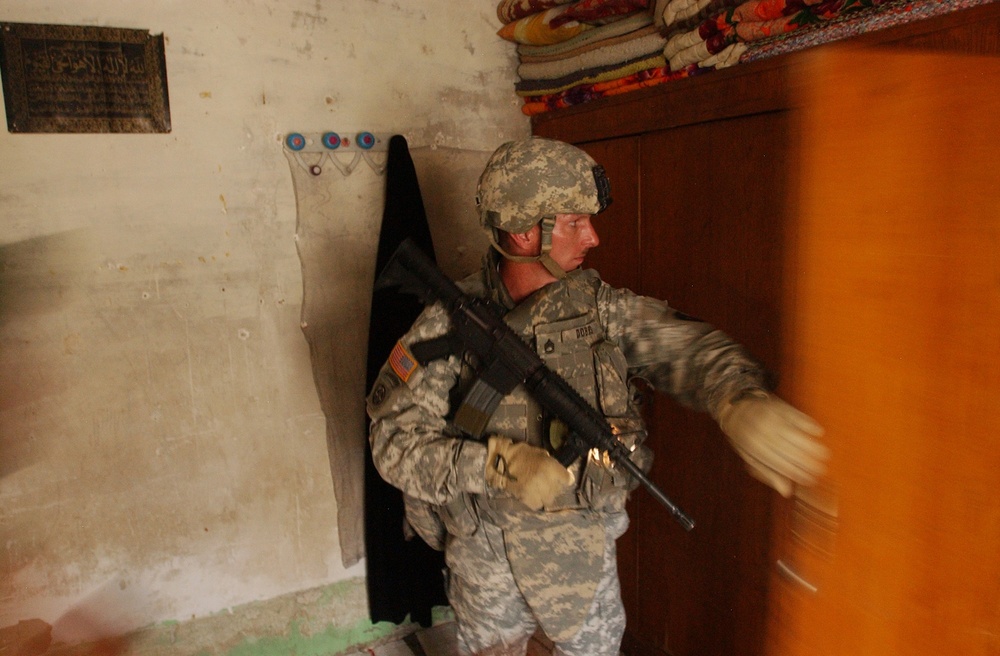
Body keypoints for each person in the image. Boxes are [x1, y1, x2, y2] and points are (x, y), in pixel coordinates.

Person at [366, 137, 829, 656]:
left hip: (581, 561)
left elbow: (693, 350)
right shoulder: (444, 324)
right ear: (524, 232)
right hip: (484, 562)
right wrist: (497, 464)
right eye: (573, 222)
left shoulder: (604, 314)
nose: (593, 236)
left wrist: (740, 400)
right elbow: (392, 443)